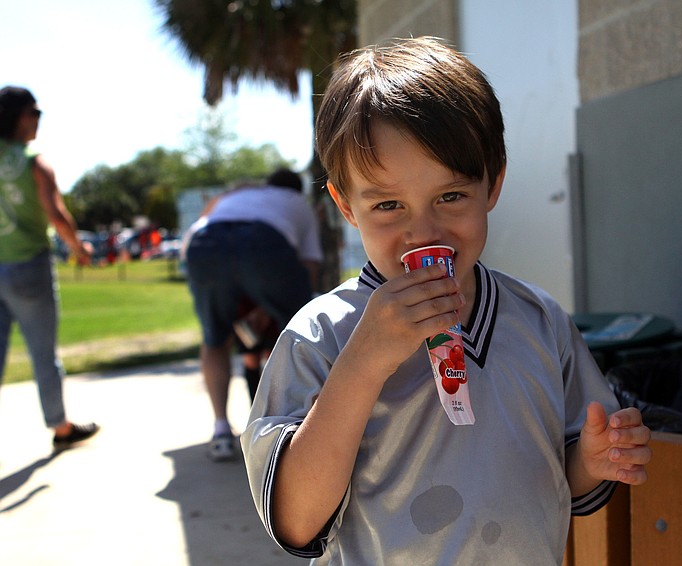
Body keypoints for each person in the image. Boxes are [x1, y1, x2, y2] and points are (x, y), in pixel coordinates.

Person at [241, 37, 652, 564]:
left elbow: (559, 475)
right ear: (347, 207)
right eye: (388, 205)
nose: (424, 232)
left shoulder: (539, 321)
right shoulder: (320, 337)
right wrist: (364, 362)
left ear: (493, 183)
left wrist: (592, 460)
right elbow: (296, 521)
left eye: (451, 196)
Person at [184, 167, 322, 461]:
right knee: (299, 334)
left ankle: (221, 430)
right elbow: (309, 266)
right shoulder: (299, 204)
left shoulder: (241, 194)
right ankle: (294, 425)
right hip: (264, 240)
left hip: (203, 244)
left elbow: (202, 232)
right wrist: (288, 308)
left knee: (214, 339)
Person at [0, 86, 100, 450]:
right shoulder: (33, 161)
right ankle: (60, 427)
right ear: (20, 117)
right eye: (35, 113)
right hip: (27, 266)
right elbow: (56, 214)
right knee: (42, 353)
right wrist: (79, 248)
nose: (38, 120)